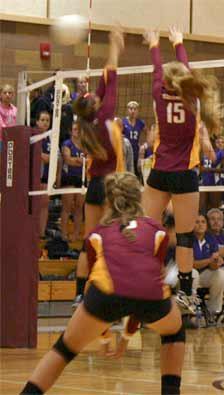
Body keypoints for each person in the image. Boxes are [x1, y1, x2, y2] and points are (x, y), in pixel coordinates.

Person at [20, 173, 185, 395]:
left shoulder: (96, 235)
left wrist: (105, 337)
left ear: (107, 202)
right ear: (139, 198)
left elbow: (96, 288)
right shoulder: (158, 231)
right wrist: (125, 337)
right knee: (174, 333)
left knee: (63, 350)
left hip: (105, 297)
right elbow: (143, 286)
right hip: (151, 297)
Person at [141, 27, 221, 314]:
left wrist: (154, 44)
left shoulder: (157, 94)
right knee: (185, 237)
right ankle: (187, 293)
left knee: (147, 230)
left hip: (160, 171)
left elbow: (156, 70)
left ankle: (144, 284)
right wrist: (178, 42)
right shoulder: (193, 101)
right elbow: (182, 69)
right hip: (185, 174)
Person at [72, 28, 125, 306]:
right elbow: (112, 77)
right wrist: (115, 45)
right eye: (92, 95)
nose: (95, 93)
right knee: (110, 243)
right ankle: (107, 293)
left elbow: (104, 84)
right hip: (110, 187)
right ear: (93, 105)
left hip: (93, 186)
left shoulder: (86, 123)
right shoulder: (105, 116)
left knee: (88, 242)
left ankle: (80, 294)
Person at [193, 214, 224, 325]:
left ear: (207, 225)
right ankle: (189, 313)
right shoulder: (187, 239)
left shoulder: (210, 238)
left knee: (220, 274)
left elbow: (213, 266)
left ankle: (212, 311)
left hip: (204, 275)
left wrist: (217, 262)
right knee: (193, 274)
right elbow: (191, 264)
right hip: (189, 274)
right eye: (197, 222)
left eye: (203, 222)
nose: (200, 224)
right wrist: (209, 260)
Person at [60, 122, 85, 242]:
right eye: (75, 129)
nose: (77, 131)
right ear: (71, 131)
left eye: (79, 129)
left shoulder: (85, 145)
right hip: (69, 177)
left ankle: (76, 234)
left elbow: (89, 160)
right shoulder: (67, 144)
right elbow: (68, 160)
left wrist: (78, 161)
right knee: (67, 207)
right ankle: (64, 234)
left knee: (79, 207)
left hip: (81, 178)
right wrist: (80, 161)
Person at [38, 111, 52, 239]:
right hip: (35, 177)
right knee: (35, 204)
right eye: (42, 120)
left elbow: (55, 158)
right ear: (37, 122)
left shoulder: (51, 137)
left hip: (47, 176)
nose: (45, 122)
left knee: (45, 204)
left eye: (47, 120)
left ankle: (41, 234)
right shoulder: (34, 136)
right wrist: (44, 157)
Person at [122, 101, 146, 176]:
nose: (133, 111)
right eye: (130, 108)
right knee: (126, 173)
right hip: (126, 152)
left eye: (135, 109)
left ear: (138, 111)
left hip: (136, 152)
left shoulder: (141, 123)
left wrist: (144, 145)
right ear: (127, 110)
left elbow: (148, 133)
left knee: (136, 173)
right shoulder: (123, 122)